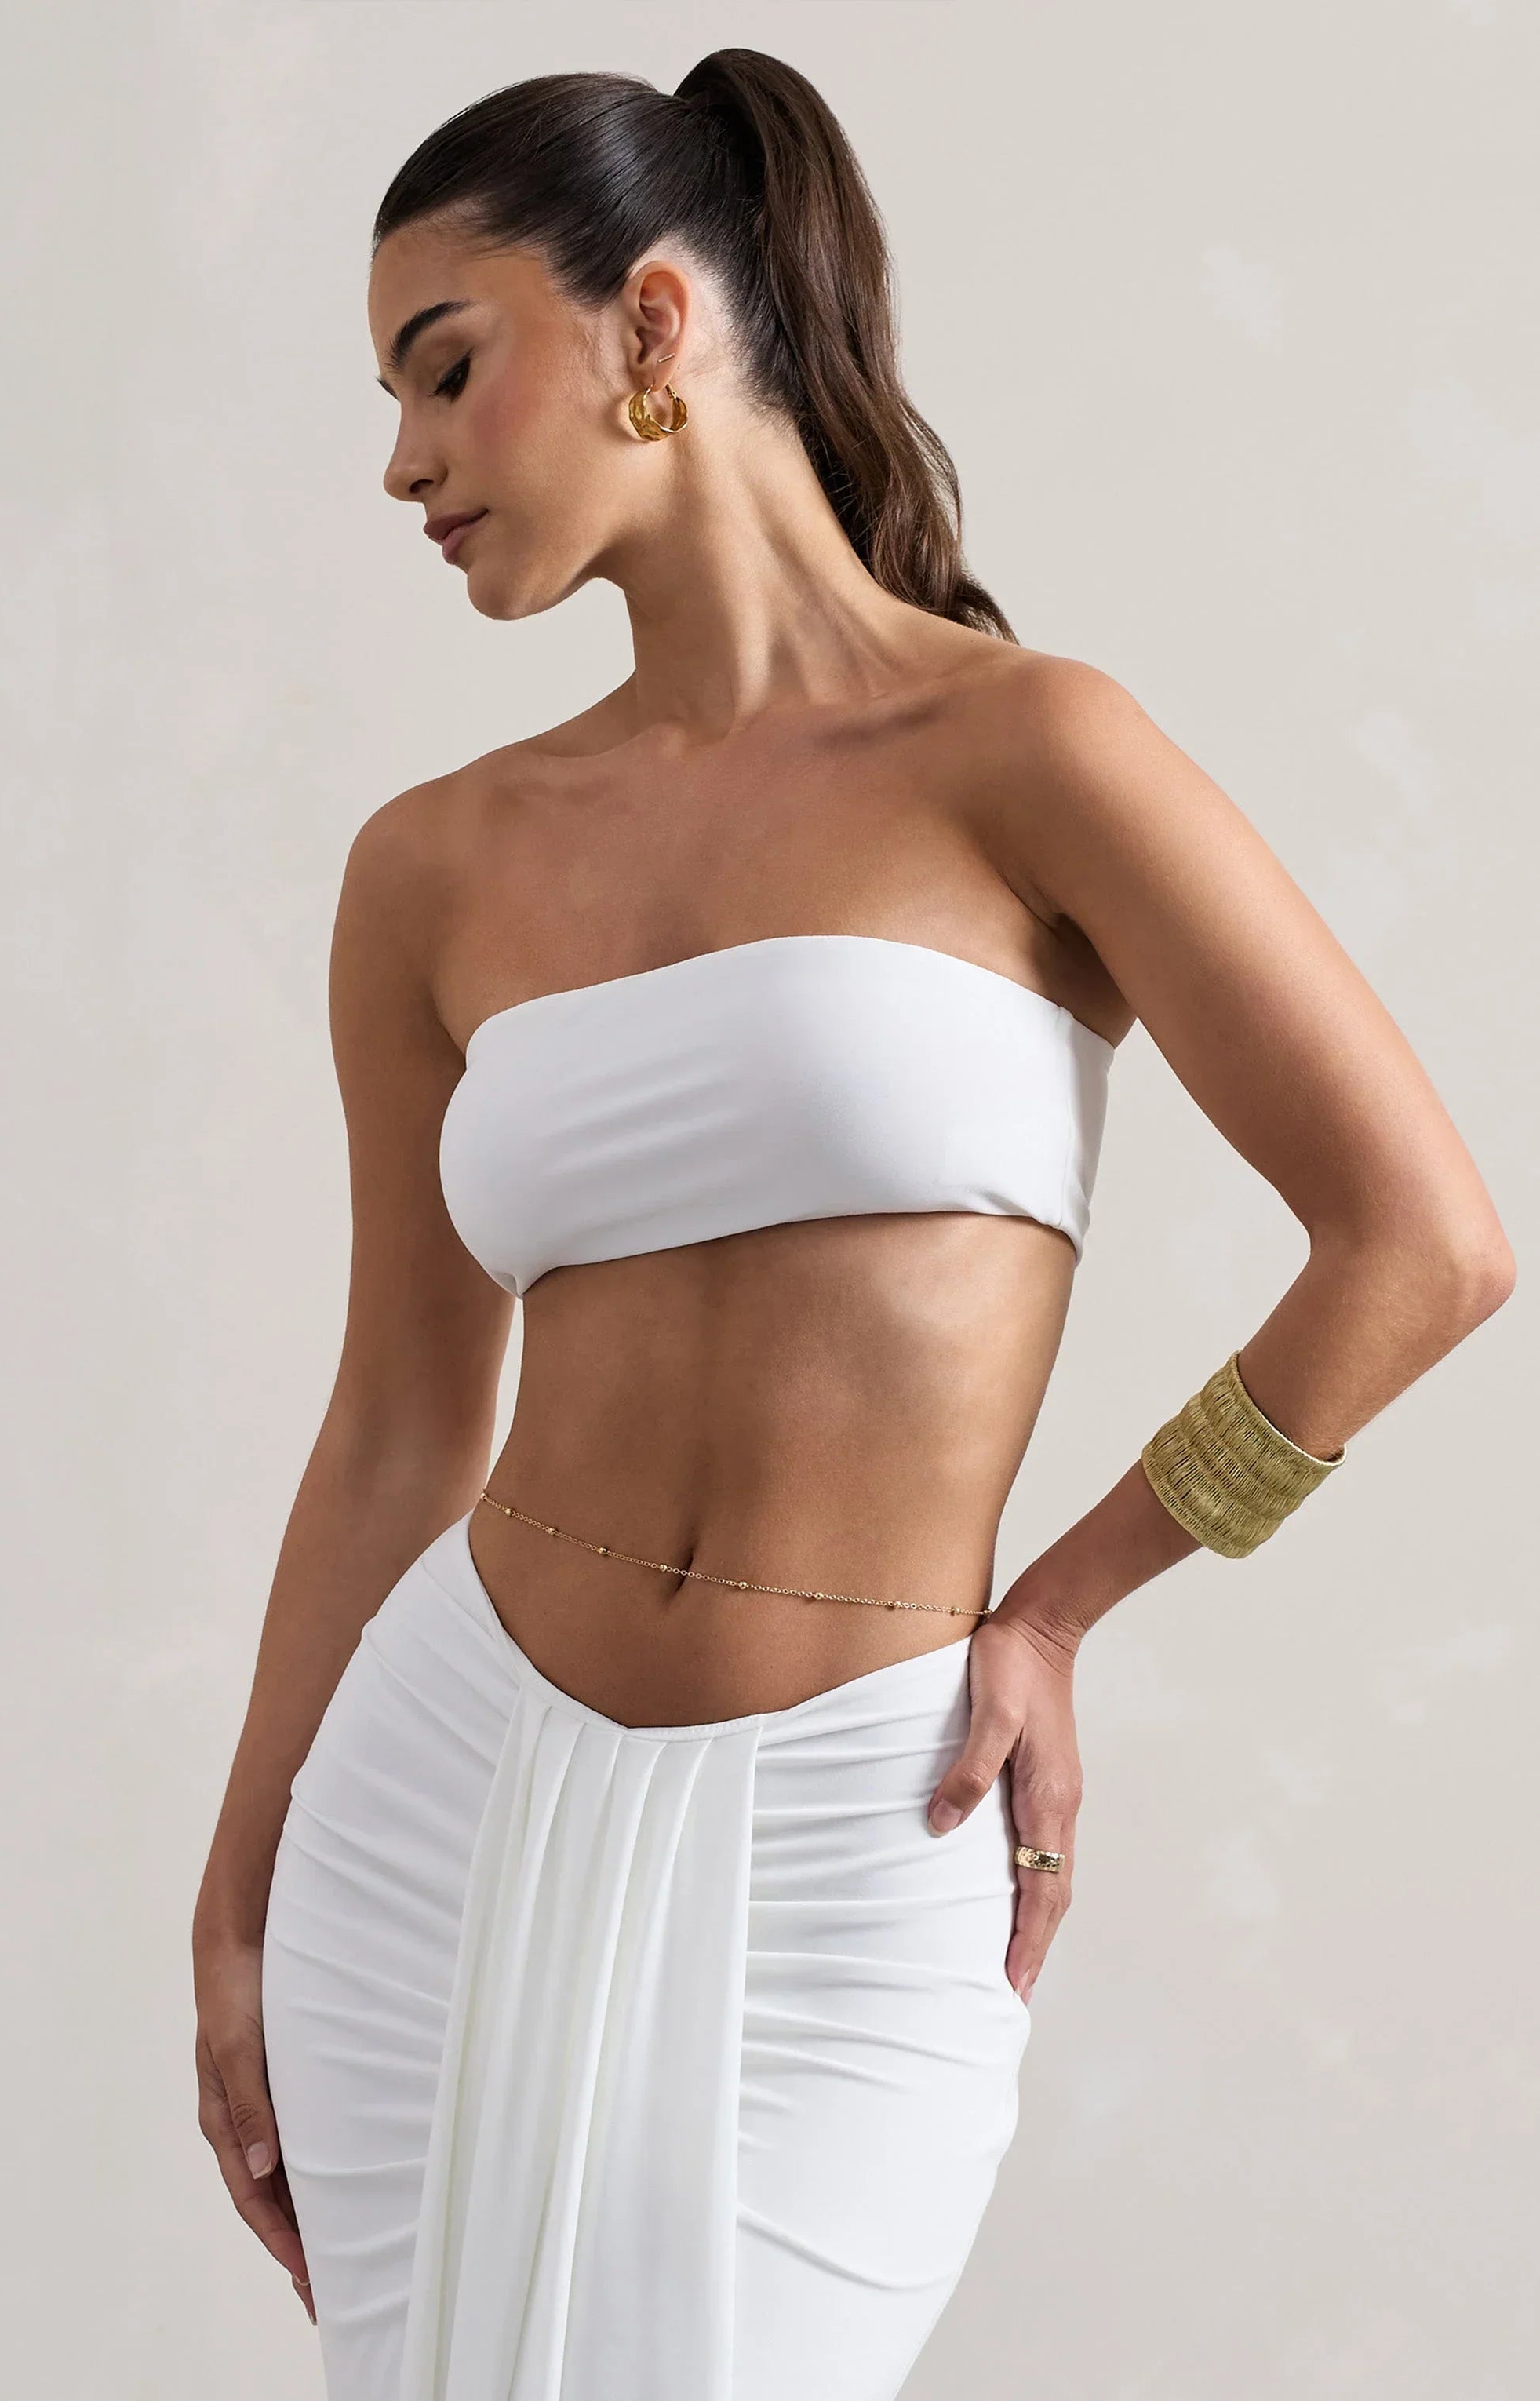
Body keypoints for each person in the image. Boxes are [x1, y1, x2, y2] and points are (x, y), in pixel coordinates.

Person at [190, 49, 1515, 2401]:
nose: (400, 460)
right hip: (435, 1802)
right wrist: (237, 1888)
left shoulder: (1031, 754)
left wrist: (1064, 1607)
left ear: (653, 322)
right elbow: (399, 1413)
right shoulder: (432, 870)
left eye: (445, 370)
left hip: (852, 1827)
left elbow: (1422, 1242)